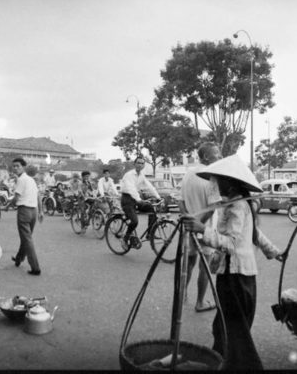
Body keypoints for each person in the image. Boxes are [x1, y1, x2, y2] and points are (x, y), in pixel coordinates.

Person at [181, 154, 283, 371]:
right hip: (242, 276)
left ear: (231, 182)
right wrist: (274, 252)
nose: (216, 185)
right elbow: (255, 234)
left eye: (220, 181)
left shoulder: (237, 206)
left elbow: (233, 244)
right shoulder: (236, 204)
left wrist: (202, 230)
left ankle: (236, 363)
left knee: (232, 331)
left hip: (235, 277)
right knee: (226, 327)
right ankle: (220, 360)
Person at [179, 142, 222, 313]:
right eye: (217, 153)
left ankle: (182, 295)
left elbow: (180, 201)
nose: (219, 156)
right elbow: (213, 208)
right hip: (205, 229)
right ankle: (200, 302)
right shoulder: (211, 177)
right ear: (205, 157)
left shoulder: (188, 174)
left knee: (188, 264)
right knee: (204, 266)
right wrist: (200, 225)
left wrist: (188, 221)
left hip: (190, 228)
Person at [10, 157, 44, 276]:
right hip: (33, 211)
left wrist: (8, 205)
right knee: (26, 237)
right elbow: (38, 196)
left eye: (18, 166)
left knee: (27, 239)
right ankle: (19, 258)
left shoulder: (21, 180)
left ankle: (35, 268)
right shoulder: (31, 180)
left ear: (23, 167)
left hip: (24, 211)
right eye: (14, 166)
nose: (15, 168)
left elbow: (16, 197)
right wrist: (41, 211)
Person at [120, 156, 160, 247]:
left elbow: (149, 185)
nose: (140, 165)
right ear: (134, 164)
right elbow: (131, 189)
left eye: (142, 163)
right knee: (134, 221)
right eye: (138, 163)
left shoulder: (141, 174)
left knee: (151, 208)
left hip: (136, 199)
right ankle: (125, 239)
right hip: (127, 200)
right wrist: (138, 200)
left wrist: (158, 196)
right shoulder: (129, 175)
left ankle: (150, 234)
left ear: (144, 165)